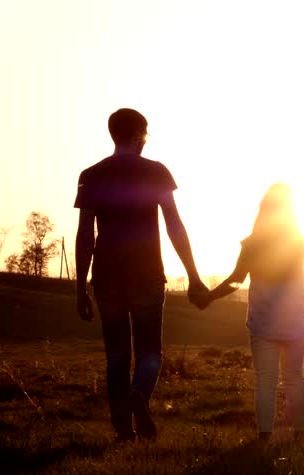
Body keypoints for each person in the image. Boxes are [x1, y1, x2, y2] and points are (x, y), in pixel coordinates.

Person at [74, 107, 209, 442]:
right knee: (150, 351)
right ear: (137, 135)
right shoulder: (155, 172)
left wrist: (80, 287)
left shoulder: (91, 175)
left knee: (117, 354)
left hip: (106, 276)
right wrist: (193, 274)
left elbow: (84, 235)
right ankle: (139, 394)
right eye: (145, 135)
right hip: (147, 274)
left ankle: (123, 431)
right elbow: (174, 224)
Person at [201, 183, 304, 443]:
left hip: (262, 322)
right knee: (294, 376)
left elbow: (235, 280)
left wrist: (209, 297)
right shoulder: (297, 242)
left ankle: (264, 437)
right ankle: (300, 434)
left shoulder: (252, 244)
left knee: (265, 380)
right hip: (295, 322)